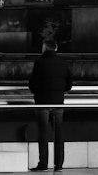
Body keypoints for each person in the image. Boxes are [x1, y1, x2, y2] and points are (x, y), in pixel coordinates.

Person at [28, 41, 73, 171]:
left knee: (43, 133)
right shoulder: (63, 63)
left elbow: (33, 84)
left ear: (44, 48)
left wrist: (37, 91)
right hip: (58, 102)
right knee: (59, 133)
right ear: (56, 48)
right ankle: (58, 164)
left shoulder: (39, 63)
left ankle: (43, 163)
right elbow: (69, 85)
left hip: (42, 102)